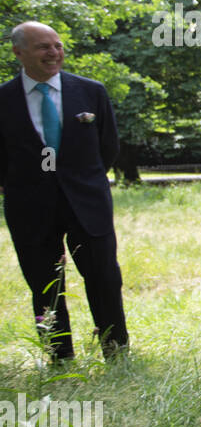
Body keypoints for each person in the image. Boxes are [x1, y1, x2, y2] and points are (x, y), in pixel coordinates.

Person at [1, 21, 129, 359]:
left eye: (57, 45)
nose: (53, 52)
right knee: (44, 285)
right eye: (43, 46)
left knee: (103, 278)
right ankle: (60, 356)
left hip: (88, 203)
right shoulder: (3, 99)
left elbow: (108, 147)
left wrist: (79, 179)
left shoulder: (91, 92)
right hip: (29, 208)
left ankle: (116, 351)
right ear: (19, 52)